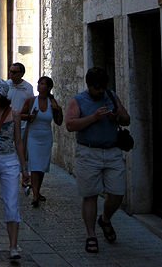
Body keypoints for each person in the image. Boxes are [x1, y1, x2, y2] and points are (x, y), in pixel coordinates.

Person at [65, 67, 130, 254]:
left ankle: (106, 219)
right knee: (90, 195)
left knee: (117, 192)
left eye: (102, 88)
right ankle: (91, 234)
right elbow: (70, 125)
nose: (100, 92)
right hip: (88, 153)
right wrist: (93, 118)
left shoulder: (111, 96)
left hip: (112, 152)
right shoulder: (78, 101)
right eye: (96, 88)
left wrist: (116, 115)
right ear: (89, 86)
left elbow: (127, 119)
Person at [0, 77, 29, 261]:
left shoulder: (14, 114)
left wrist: (24, 167)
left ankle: (13, 245)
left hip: (10, 160)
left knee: (12, 203)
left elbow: (18, 141)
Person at [21, 76, 63, 207]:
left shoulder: (53, 102)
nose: (39, 86)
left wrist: (58, 110)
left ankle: (37, 191)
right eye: (39, 83)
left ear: (49, 87)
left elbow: (59, 122)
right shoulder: (31, 100)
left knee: (42, 166)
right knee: (34, 165)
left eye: (43, 84)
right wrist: (29, 117)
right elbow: (20, 115)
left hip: (46, 137)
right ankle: (35, 196)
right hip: (33, 136)